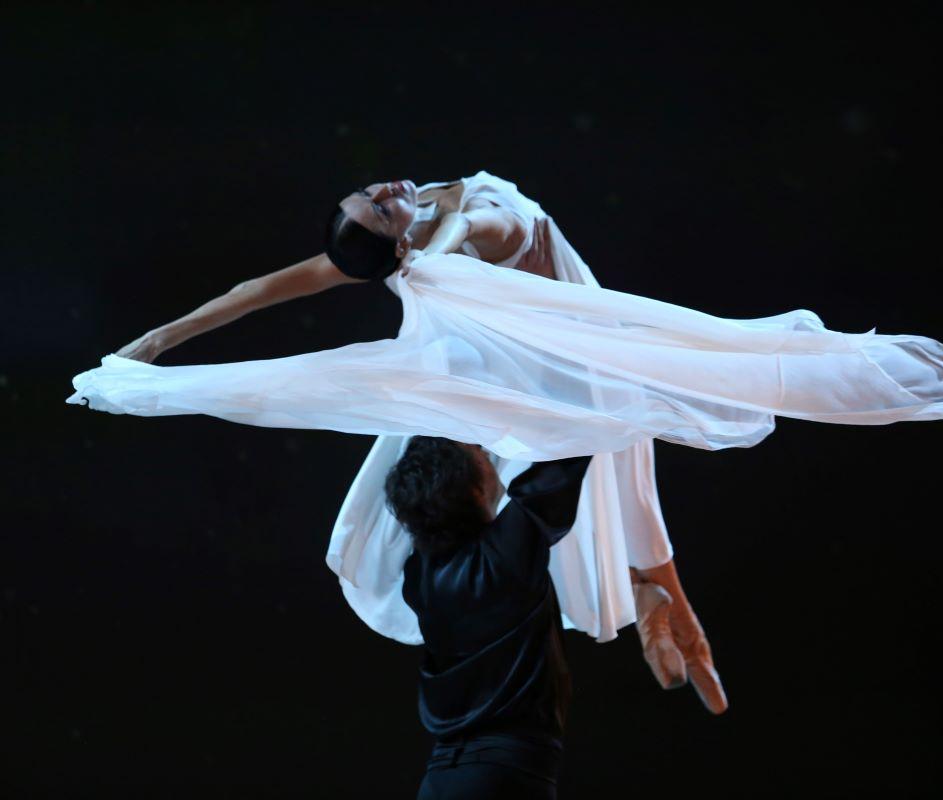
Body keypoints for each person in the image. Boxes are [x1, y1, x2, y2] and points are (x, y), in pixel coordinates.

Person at [81, 171, 728, 713]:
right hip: (521, 363)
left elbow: (449, 232)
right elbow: (258, 292)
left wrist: (155, 340)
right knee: (531, 485)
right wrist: (159, 344)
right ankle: (639, 600)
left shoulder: (440, 230)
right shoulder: (470, 229)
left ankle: (656, 600)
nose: (387, 190)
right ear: (395, 244)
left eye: (370, 193)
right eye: (383, 208)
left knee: (622, 475)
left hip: (567, 350)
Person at [388, 435, 590, 798]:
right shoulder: (505, 556)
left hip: (444, 777)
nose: (485, 450)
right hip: (501, 778)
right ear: (470, 487)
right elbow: (570, 450)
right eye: (476, 450)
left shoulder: (419, 577)